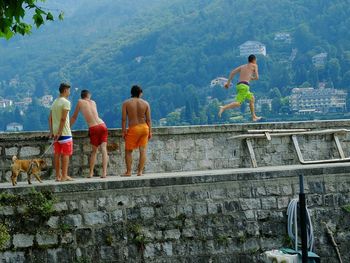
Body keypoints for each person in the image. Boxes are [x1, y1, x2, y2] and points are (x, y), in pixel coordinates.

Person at [70, 90, 109, 178]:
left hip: (93, 127)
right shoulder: (93, 102)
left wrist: (68, 127)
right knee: (104, 149)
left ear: (82, 96)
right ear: (89, 95)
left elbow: (74, 116)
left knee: (94, 151)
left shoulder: (80, 102)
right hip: (102, 125)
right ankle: (104, 173)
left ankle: (91, 173)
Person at [218, 54, 262, 121]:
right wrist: (251, 78)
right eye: (256, 60)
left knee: (252, 98)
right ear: (254, 60)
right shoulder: (254, 65)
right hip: (244, 86)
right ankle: (223, 107)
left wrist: (228, 83)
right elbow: (257, 77)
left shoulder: (242, 66)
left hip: (239, 85)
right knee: (238, 103)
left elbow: (232, 72)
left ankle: (253, 117)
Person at [122, 85, 152, 176]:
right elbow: (149, 120)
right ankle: (140, 172)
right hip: (144, 128)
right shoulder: (146, 103)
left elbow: (124, 119)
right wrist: (150, 131)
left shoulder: (126, 103)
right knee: (142, 150)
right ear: (140, 93)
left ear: (131, 93)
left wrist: (123, 131)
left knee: (128, 151)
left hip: (134, 128)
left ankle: (129, 172)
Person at [49, 83, 74, 182]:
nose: (69, 92)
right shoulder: (66, 102)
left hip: (55, 133)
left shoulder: (54, 102)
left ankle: (58, 176)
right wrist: (60, 132)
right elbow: (63, 119)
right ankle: (64, 176)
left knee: (57, 154)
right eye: (69, 90)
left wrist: (52, 132)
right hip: (65, 132)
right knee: (66, 154)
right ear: (65, 90)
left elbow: (49, 118)